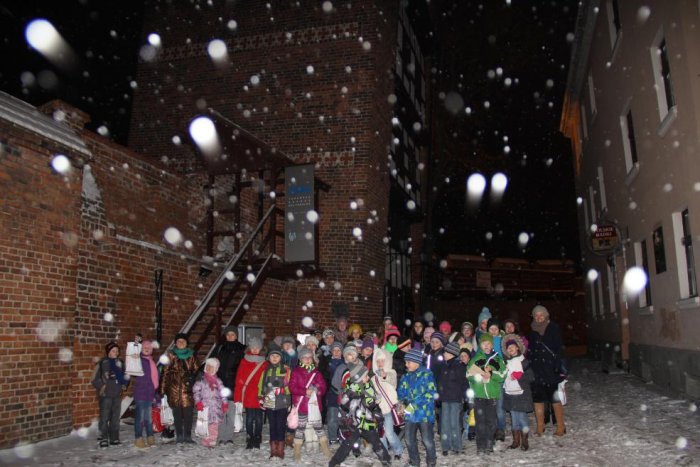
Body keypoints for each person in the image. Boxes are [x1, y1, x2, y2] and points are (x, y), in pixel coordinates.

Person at [329, 365, 391, 467]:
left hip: (367, 423)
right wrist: (356, 400)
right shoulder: (351, 390)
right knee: (347, 444)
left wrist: (375, 407)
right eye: (365, 376)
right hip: (354, 424)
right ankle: (334, 462)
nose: (368, 377)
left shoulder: (368, 387)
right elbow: (344, 404)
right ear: (359, 378)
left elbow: (372, 404)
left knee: (376, 443)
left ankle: (386, 461)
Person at [527, 304, 566, 436]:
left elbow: (558, 349)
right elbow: (530, 351)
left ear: (546, 315)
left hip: (550, 369)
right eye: (536, 315)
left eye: (541, 315)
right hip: (537, 370)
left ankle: (560, 426)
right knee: (538, 399)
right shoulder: (532, 331)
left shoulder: (554, 328)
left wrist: (557, 366)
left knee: (554, 398)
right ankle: (540, 426)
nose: (539, 317)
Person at [467, 334, 506, 455]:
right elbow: (468, 375)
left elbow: (503, 374)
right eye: (484, 344)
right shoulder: (475, 359)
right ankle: (481, 445)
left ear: (492, 345)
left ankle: (489, 443)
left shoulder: (497, 359)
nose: (486, 346)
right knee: (480, 422)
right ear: (480, 345)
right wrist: (479, 375)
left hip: (491, 396)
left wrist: (491, 374)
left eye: (488, 343)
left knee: (491, 421)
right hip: (479, 396)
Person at [398, 348, 438, 467]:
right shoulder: (405, 377)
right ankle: (414, 462)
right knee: (409, 439)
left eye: (408, 362)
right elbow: (401, 393)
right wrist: (401, 404)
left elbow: (430, 394)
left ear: (416, 362)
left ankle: (431, 461)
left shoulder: (427, 375)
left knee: (427, 440)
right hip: (410, 415)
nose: (406, 365)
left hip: (424, 414)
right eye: (405, 362)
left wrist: (413, 405)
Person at [290, 346, 330, 461]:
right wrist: (304, 391)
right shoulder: (296, 372)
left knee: (318, 427)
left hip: (314, 406)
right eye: (304, 357)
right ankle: (297, 450)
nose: (307, 360)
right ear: (300, 359)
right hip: (302, 406)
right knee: (300, 428)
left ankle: (325, 448)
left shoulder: (316, 373)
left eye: (309, 357)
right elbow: (292, 387)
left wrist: (317, 390)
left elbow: (323, 386)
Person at [161, 333, 199, 444]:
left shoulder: (192, 356)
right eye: (179, 341)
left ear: (186, 343)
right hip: (174, 390)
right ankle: (179, 435)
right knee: (177, 415)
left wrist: (194, 382)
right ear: (176, 343)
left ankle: (187, 436)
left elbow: (197, 372)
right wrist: (162, 389)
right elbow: (165, 373)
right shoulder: (170, 356)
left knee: (188, 414)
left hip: (188, 390)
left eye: (183, 341)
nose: (181, 343)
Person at [501, 334, 534, 451]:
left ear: (518, 348)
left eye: (512, 346)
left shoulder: (524, 362)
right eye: (508, 348)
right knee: (514, 418)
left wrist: (520, 376)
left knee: (522, 417)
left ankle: (525, 441)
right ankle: (516, 441)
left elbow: (531, 377)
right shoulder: (507, 363)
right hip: (510, 393)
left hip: (522, 394)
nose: (510, 349)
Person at [92, 342, 128, 447]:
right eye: (113, 351)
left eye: (117, 351)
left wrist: (124, 384)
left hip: (117, 394)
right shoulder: (102, 363)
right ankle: (103, 438)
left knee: (115, 418)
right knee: (104, 417)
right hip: (105, 395)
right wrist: (102, 386)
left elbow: (126, 376)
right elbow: (94, 379)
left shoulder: (120, 363)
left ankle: (114, 438)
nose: (116, 353)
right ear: (108, 352)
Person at [233, 337, 267, 449]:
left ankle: (257, 436)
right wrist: (238, 397)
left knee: (258, 418)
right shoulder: (244, 361)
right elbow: (239, 379)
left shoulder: (265, 362)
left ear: (261, 348)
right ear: (249, 348)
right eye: (253, 347)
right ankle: (249, 436)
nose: (255, 349)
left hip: (260, 394)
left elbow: (267, 379)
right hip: (248, 394)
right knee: (249, 417)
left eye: (257, 347)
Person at [258, 344, 291, 459]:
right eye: (272, 356)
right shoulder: (266, 370)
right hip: (269, 399)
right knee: (272, 424)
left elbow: (289, 385)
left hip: (282, 400)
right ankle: (273, 449)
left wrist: (288, 399)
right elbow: (261, 384)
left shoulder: (286, 370)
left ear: (281, 358)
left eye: (277, 356)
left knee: (280, 424)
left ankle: (280, 449)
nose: (275, 358)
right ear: (269, 358)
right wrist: (260, 397)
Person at [372, 348, 403, 460]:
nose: (380, 363)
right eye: (378, 361)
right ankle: (385, 453)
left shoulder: (391, 372)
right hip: (379, 410)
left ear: (387, 361)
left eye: (382, 360)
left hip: (389, 409)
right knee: (381, 434)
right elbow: (372, 392)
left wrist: (384, 376)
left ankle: (398, 450)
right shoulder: (373, 378)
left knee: (389, 433)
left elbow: (393, 382)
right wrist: (375, 398)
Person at [437, 342, 468, 456]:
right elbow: (440, 383)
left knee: (454, 423)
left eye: (446, 352)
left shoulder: (459, 366)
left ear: (452, 353)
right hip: (445, 399)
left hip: (455, 399)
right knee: (445, 423)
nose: (444, 354)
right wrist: (439, 395)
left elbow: (463, 383)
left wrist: (465, 398)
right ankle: (446, 446)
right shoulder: (444, 366)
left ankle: (456, 446)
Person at [131, 339, 158, 448]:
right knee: (140, 418)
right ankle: (138, 438)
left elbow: (154, 378)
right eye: (144, 348)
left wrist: (154, 391)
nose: (146, 349)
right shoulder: (139, 360)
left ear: (151, 350)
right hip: (141, 393)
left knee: (148, 418)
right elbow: (133, 370)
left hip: (149, 393)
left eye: (149, 348)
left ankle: (150, 436)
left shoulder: (151, 361)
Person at [193, 358, 227, 447]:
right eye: (207, 366)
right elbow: (196, 391)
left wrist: (225, 403)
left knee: (214, 424)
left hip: (216, 406)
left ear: (215, 369)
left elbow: (223, 392)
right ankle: (206, 438)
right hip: (205, 406)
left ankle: (212, 439)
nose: (209, 368)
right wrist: (198, 402)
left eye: (211, 367)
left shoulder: (218, 381)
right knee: (206, 423)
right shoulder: (201, 381)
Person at [211, 326, 245, 398]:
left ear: (236, 336)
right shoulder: (220, 348)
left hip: (235, 383)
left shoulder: (242, 349)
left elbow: (245, 366)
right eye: (228, 334)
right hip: (220, 382)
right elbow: (211, 362)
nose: (230, 337)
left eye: (232, 334)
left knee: (232, 402)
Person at [487, 318, 506, 441]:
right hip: (487, 379)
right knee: (490, 407)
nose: (493, 331)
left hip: (498, 379)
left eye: (495, 328)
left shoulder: (503, 341)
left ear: (499, 330)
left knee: (499, 407)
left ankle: (501, 429)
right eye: (491, 329)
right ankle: (492, 428)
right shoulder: (484, 341)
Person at [322, 341, 345, 444]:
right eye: (334, 350)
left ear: (342, 352)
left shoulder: (345, 363)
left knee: (343, 416)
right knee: (332, 416)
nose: (336, 352)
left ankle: (343, 435)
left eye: (338, 350)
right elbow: (323, 377)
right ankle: (332, 437)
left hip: (343, 393)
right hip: (331, 393)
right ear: (331, 351)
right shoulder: (326, 363)